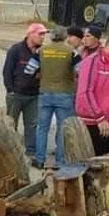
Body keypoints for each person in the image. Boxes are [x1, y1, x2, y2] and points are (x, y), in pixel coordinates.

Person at [34, 27, 77, 168]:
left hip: (45, 92)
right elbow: (81, 69)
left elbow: (29, 70)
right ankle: (60, 161)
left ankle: (39, 160)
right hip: (64, 93)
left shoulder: (41, 51)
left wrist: (41, 74)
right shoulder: (71, 52)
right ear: (65, 37)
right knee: (62, 129)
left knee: (42, 128)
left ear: (51, 36)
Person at [3, 22, 47, 159]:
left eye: (44, 34)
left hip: (33, 96)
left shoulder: (42, 52)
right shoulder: (16, 50)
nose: (43, 37)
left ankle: (31, 152)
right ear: (30, 34)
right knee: (11, 124)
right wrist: (10, 90)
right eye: (40, 34)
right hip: (16, 94)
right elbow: (7, 71)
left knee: (32, 125)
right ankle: (9, 152)